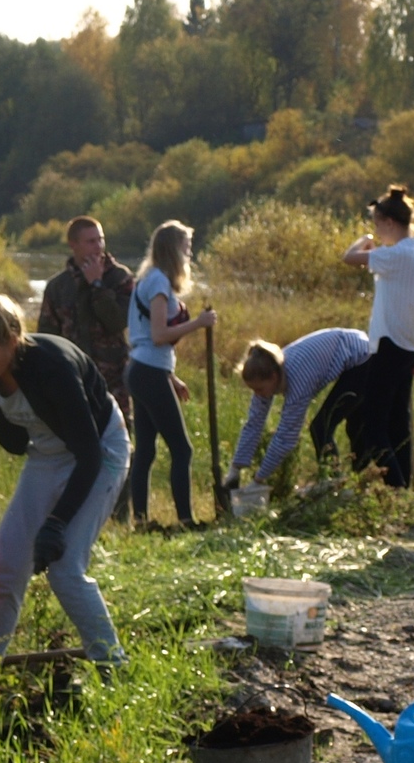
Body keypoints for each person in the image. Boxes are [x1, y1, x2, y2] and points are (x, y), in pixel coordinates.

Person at [0, 287, 129, 685]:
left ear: (12, 339)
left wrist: (58, 521)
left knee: (64, 568)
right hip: (47, 457)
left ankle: (112, 665)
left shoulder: (52, 366)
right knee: (2, 566)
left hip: (100, 449)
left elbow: (88, 454)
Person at [37, 216, 137, 520]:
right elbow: (46, 337)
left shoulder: (119, 278)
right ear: (74, 245)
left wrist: (97, 285)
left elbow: (119, 322)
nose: (98, 247)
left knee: (119, 447)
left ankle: (120, 516)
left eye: (101, 240)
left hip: (112, 378)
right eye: (91, 241)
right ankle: (75, 514)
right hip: (73, 382)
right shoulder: (58, 287)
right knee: (75, 449)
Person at [341, 185, 414, 488]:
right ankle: (404, 485)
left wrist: (364, 241)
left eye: (377, 225)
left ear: (390, 223)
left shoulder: (395, 255)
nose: (376, 232)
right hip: (410, 344)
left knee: (373, 423)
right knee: (398, 422)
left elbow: (349, 258)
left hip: (389, 345)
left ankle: (394, 484)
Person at [124, 219, 215, 529]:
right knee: (182, 448)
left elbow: (144, 337)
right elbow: (160, 334)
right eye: (186, 248)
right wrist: (199, 323)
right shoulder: (160, 282)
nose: (189, 254)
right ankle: (186, 520)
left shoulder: (147, 279)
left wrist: (170, 376)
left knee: (147, 450)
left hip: (142, 370)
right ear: (174, 250)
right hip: (148, 372)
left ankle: (140, 520)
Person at [227, 328, 374, 490]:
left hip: (363, 357)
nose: (258, 395)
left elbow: (286, 437)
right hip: (354, 351)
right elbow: (254, 423)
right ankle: (360, 487)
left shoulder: (297, 379)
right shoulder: (269, 369)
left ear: (274, 378)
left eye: (260, 389)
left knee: (322, 427)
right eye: (254, 390)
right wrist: (235, 469)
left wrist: (258, 480)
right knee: (356, 427)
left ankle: (335, 484)